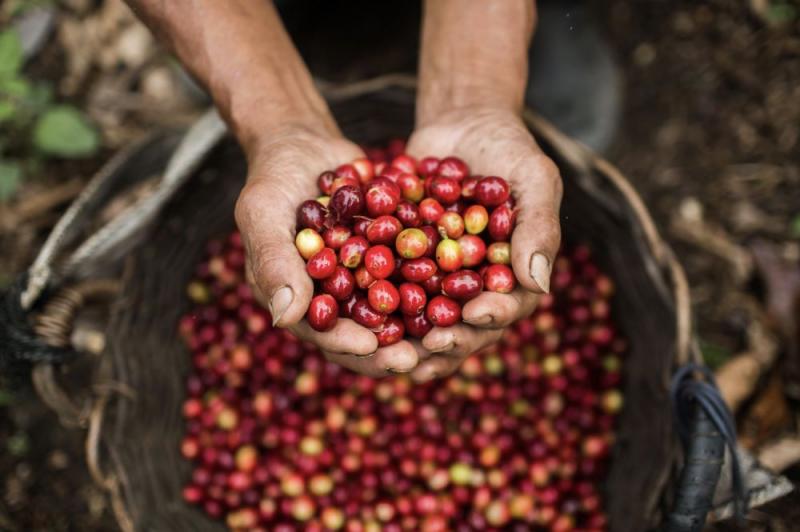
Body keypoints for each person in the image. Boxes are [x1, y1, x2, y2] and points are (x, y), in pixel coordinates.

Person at [126, 1, 565, 382]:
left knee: (567, 94)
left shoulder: (403, 235)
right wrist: (274, 115)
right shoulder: (385, 238)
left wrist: (477, 92)